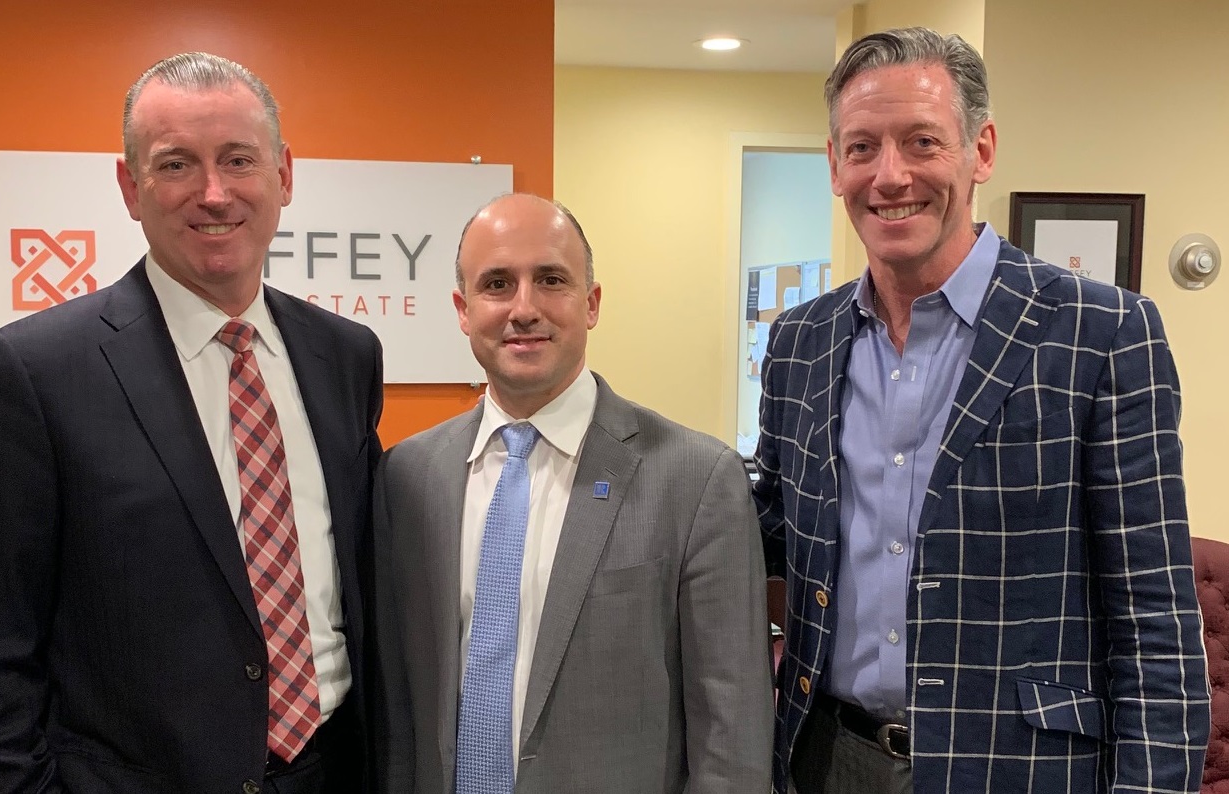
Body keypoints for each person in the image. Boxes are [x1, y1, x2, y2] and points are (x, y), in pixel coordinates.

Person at [754, 26, 1210, 794]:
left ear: (981, 149)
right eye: (862, 148)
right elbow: (770, 532)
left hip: (1022, 769)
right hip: (827, 758)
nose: (890, 175)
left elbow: (1156, 624)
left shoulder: (1102, 333)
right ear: (834, 165)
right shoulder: (801, 340)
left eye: (921, 141)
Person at [0, 52, 383, 794]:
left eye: (239, 159)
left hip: (332, 772)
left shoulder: (346, 356)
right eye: (175, 165)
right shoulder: (30, 374)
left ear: (284, 175)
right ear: (130, 187)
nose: (214, 193)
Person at [372, 193, 772, 792]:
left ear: (591, 303)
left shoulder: (697, 480)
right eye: (497, 284)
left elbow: (731, 741)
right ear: (463, 310)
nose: (524, 308)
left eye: (551, 280)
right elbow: (396, 708)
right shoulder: (407, 476)